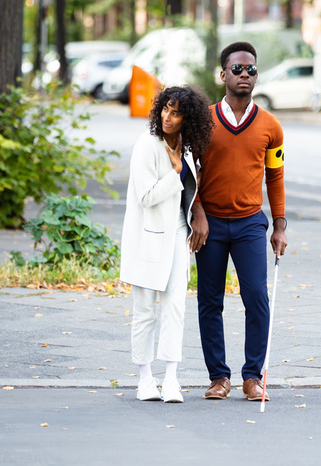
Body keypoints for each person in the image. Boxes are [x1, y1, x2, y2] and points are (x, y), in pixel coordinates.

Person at [188, 42, 288, 401]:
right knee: (209, 300)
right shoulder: (203, 121)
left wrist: (279, 224)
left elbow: (275, 176)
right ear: (223, 74)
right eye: (237, 69)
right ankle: (219, 377)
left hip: (249, 224)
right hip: (210, 224)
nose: (244, 75)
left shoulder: (270, 126)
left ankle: (251, 377)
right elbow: (189, 172)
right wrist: (197, 212)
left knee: (257, 298)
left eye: (251, 70)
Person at [120, 85, 214, 403]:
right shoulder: (148, 145)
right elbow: (146, 196)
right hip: (146, 235)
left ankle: (171, 378)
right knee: (145, 310)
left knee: (175, 305)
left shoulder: (186, 148)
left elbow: (190, 193)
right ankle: (145, 379)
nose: (167, 118)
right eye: (164, 110)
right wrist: (175, 174)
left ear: (188, 119)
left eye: (176, 113)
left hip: (176, 232)